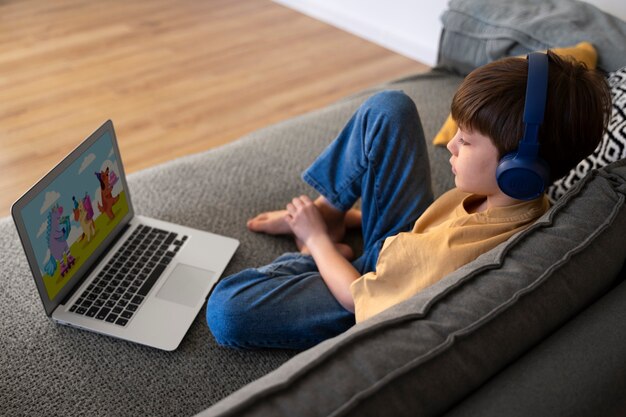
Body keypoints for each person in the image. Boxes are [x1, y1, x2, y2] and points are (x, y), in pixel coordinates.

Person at [206, 50, 612, 350]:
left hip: (376, 291)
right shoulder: (514, 195)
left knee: (226, 310)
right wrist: (351, 220)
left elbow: (357, 297)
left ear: (519, 168)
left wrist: (316, 242)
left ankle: (319, 239)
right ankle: (332, 210)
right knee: (389, 108)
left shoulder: (451, 256)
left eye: (466, 141)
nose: (450, 144)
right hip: (406, 247)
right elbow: (427, 229)